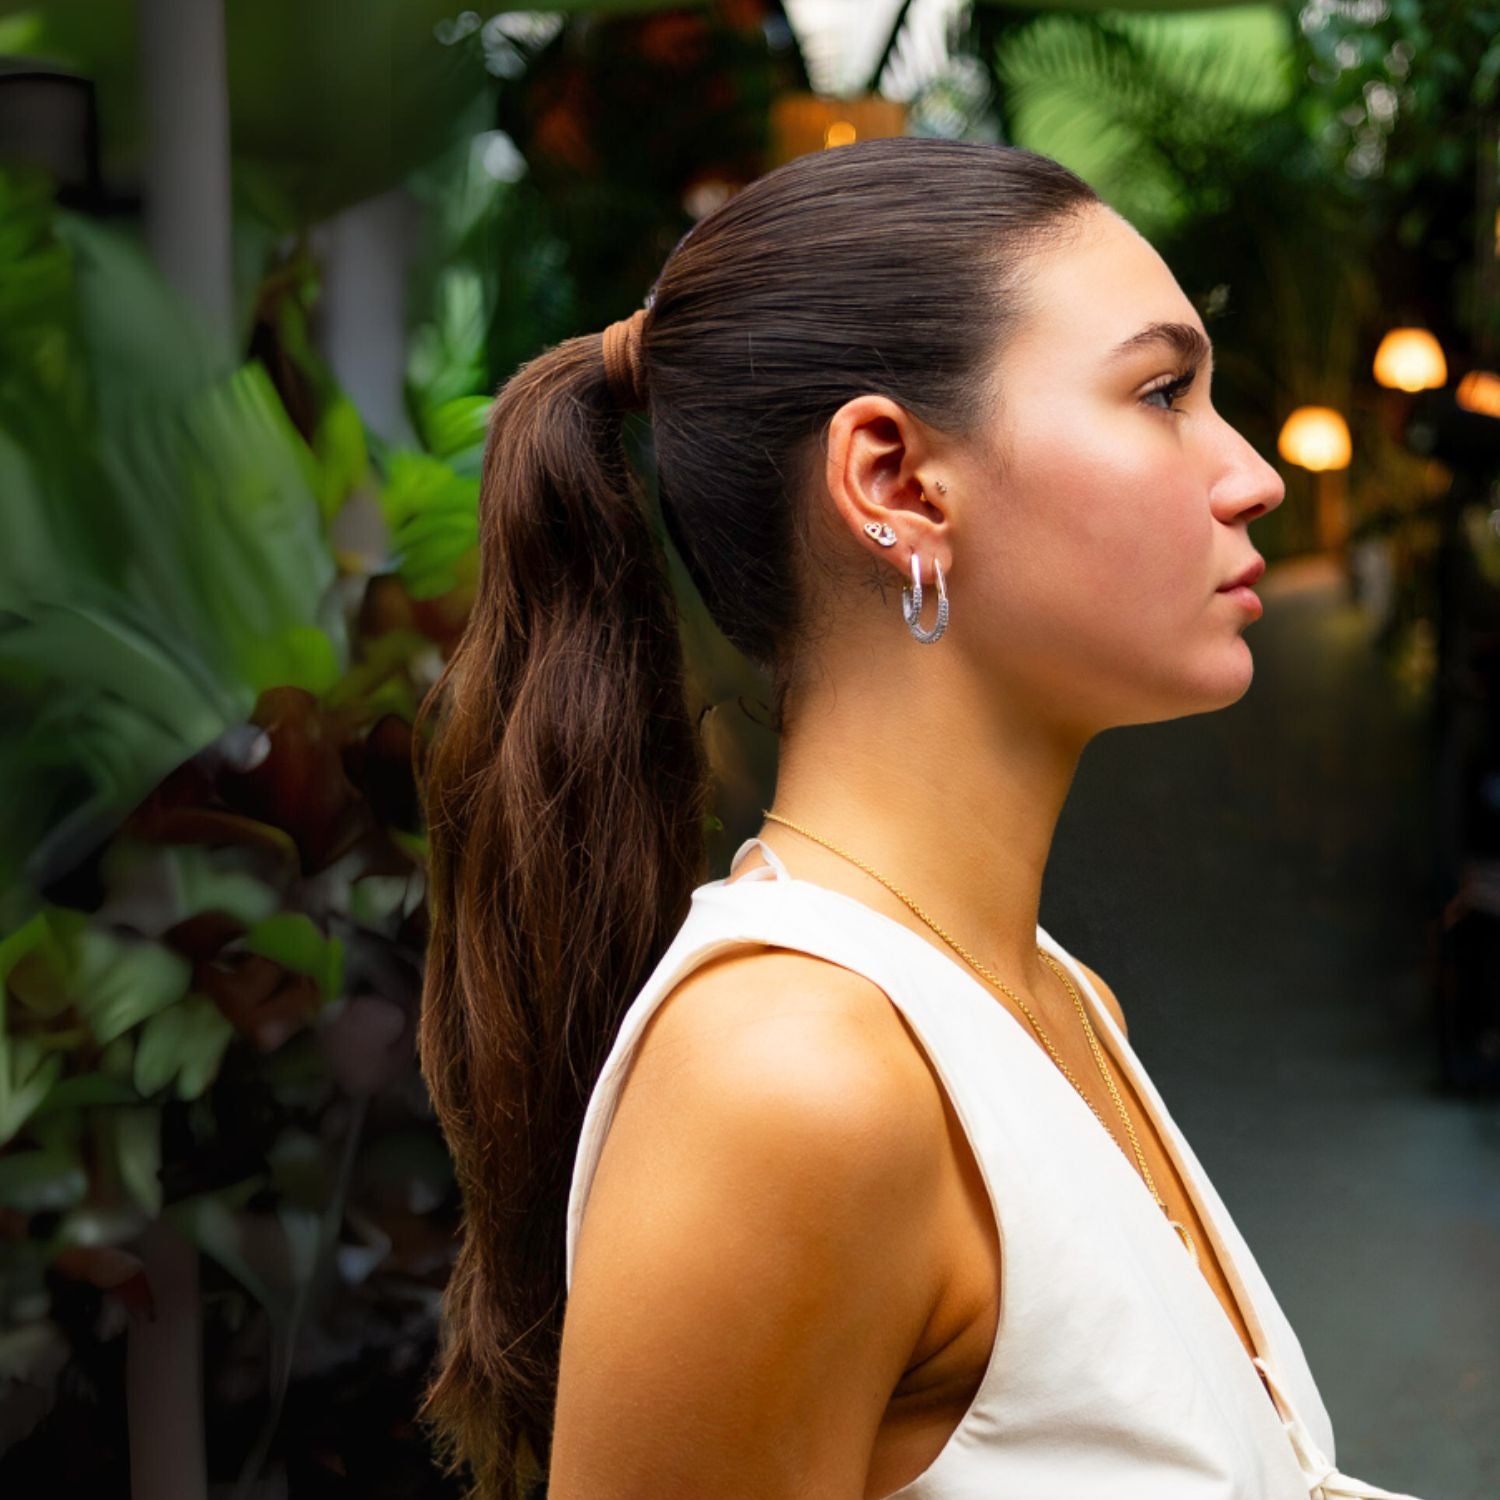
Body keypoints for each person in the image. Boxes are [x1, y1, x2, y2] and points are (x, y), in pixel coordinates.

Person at [413, 138, 1429, 1500]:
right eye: (1163, 392)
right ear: (894, 481)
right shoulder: (793, 1082)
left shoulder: (1052, 1004)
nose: (1251, 475)